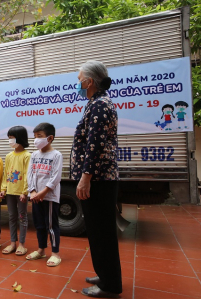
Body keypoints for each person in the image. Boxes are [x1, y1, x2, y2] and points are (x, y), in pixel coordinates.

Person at [71, 60, 122, 298]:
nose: (78, 84)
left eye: (80, 79)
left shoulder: (100, 105)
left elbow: (95, 145)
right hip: (98, 177)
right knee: (98, 231)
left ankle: (109, 285)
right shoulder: (96, 103)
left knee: (102, 232)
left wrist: (85, 178)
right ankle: (105, 275)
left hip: (99, 179)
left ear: (89, 81)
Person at [26, 123, 63, 267]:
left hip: (49, 197)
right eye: (35, 136)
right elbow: (30, 174)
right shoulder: (34, 154)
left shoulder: (56, 155)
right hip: (36, 197)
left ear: (50, 138)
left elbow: (56, 177)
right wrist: (33, 191)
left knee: (52, 226)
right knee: (39, 225)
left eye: (39, 136)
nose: (36, 140)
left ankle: (55, 254)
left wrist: (43, 192)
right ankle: (41, 250)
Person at [0, 126, 30, 256]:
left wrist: (24, 192)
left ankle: (22, 245)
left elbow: (28, 175)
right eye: (9, 138)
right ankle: (13, 243)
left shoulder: (27, 156)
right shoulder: (9, 156)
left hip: (21, 193)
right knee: (12, 217)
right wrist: (3, 189)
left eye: (12, 138)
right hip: (10, 192)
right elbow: (6, 174)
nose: (10, 141)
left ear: (20, 138)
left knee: (22, 217)